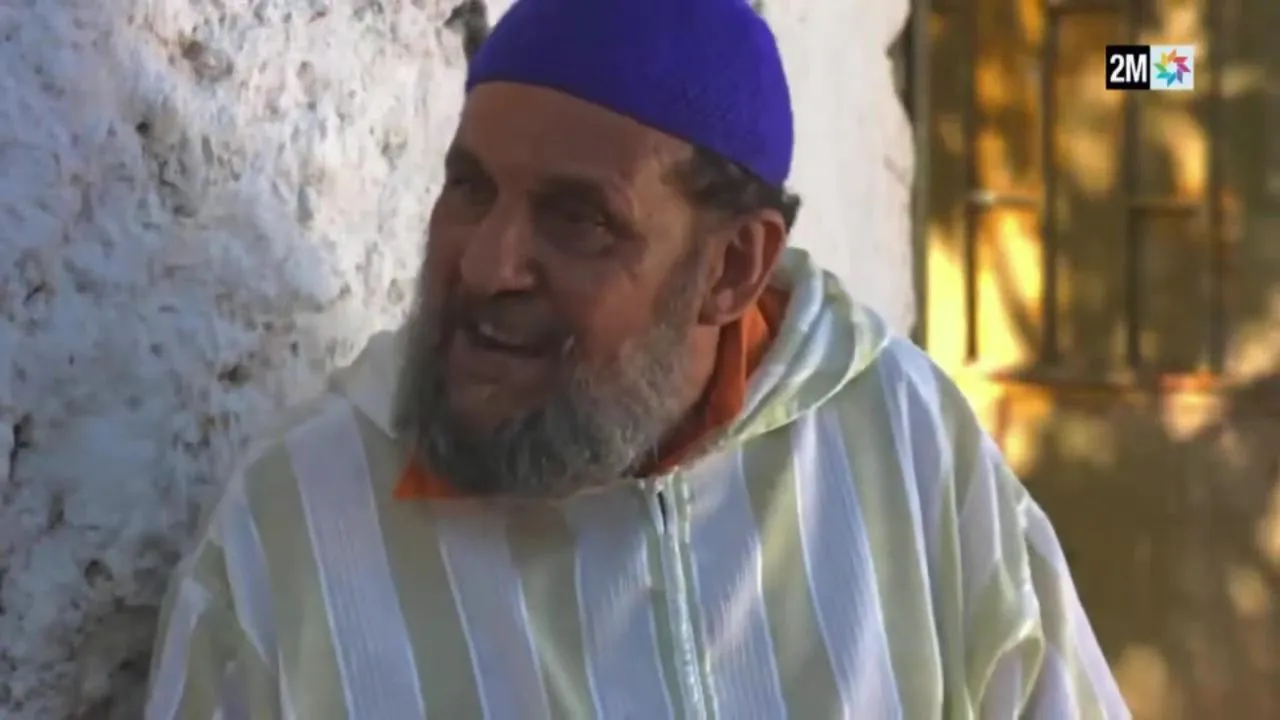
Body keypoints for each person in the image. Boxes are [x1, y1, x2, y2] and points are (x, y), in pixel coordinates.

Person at [143, 0, 1130, 717]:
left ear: (730, 268)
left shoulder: (899, 444)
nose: (487, 265)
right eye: (469, 188)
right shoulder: (292, 531)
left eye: (578, 220)